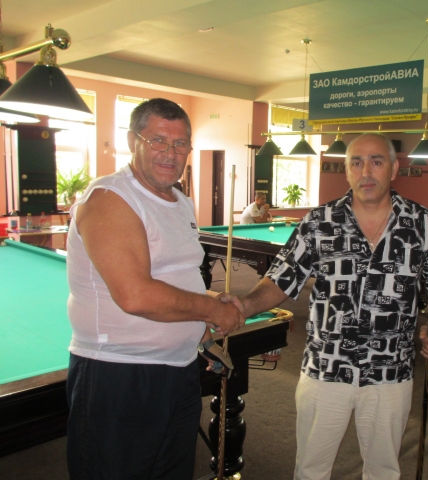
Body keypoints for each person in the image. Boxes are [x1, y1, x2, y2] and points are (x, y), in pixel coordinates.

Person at [220, 133, 428, 480]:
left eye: (376, 161)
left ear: (393, 169)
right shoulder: (319, 222)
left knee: (384, 472)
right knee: (311, 470)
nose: (366, 172)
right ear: (346, 171)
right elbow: (281, 280)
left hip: (390, 371)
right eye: (356, 163)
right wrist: (243, 305)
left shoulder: (423, 223)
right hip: (326, 367)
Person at [65, 98, 245, 479]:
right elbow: (136, 295)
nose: (170, 153)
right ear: (133, 141)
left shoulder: (180, 202)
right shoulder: (110, 198)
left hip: (178, 372)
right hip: (118, 375)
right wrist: (213, 310)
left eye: (180, 144)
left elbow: (176, 278)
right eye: (158, 140)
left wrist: (205, 320)